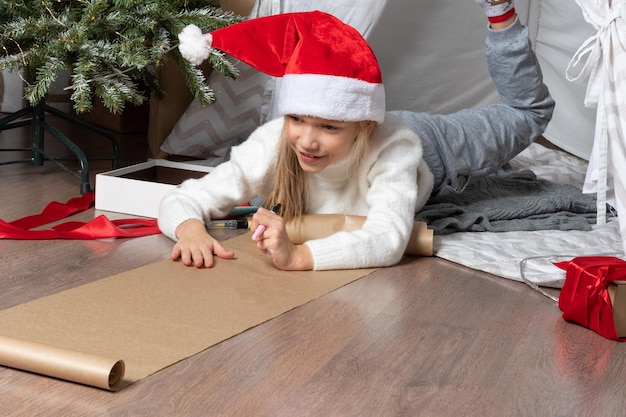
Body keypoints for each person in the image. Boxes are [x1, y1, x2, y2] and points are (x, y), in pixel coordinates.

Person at [158, 1, 554, 271]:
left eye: (328, 127)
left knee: (525, 115)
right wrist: (189, 228)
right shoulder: (278, 139)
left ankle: (499, 9)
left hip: (432, 147)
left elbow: (388, 238)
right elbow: (188, 196)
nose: (307, 141)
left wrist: (300, 257)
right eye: (298, 119)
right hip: (370, 134)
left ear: (363, 126)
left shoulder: (394, 149)